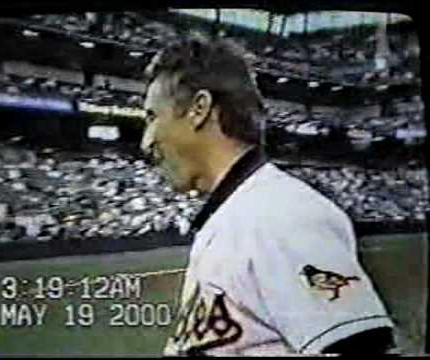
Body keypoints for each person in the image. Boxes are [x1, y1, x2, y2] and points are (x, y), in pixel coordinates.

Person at [140, 35, 396, 356]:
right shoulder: (241, 211)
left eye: (151, 117)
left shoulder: (280, 213)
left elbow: (363, 349)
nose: (146, 141)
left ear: (199, 109)